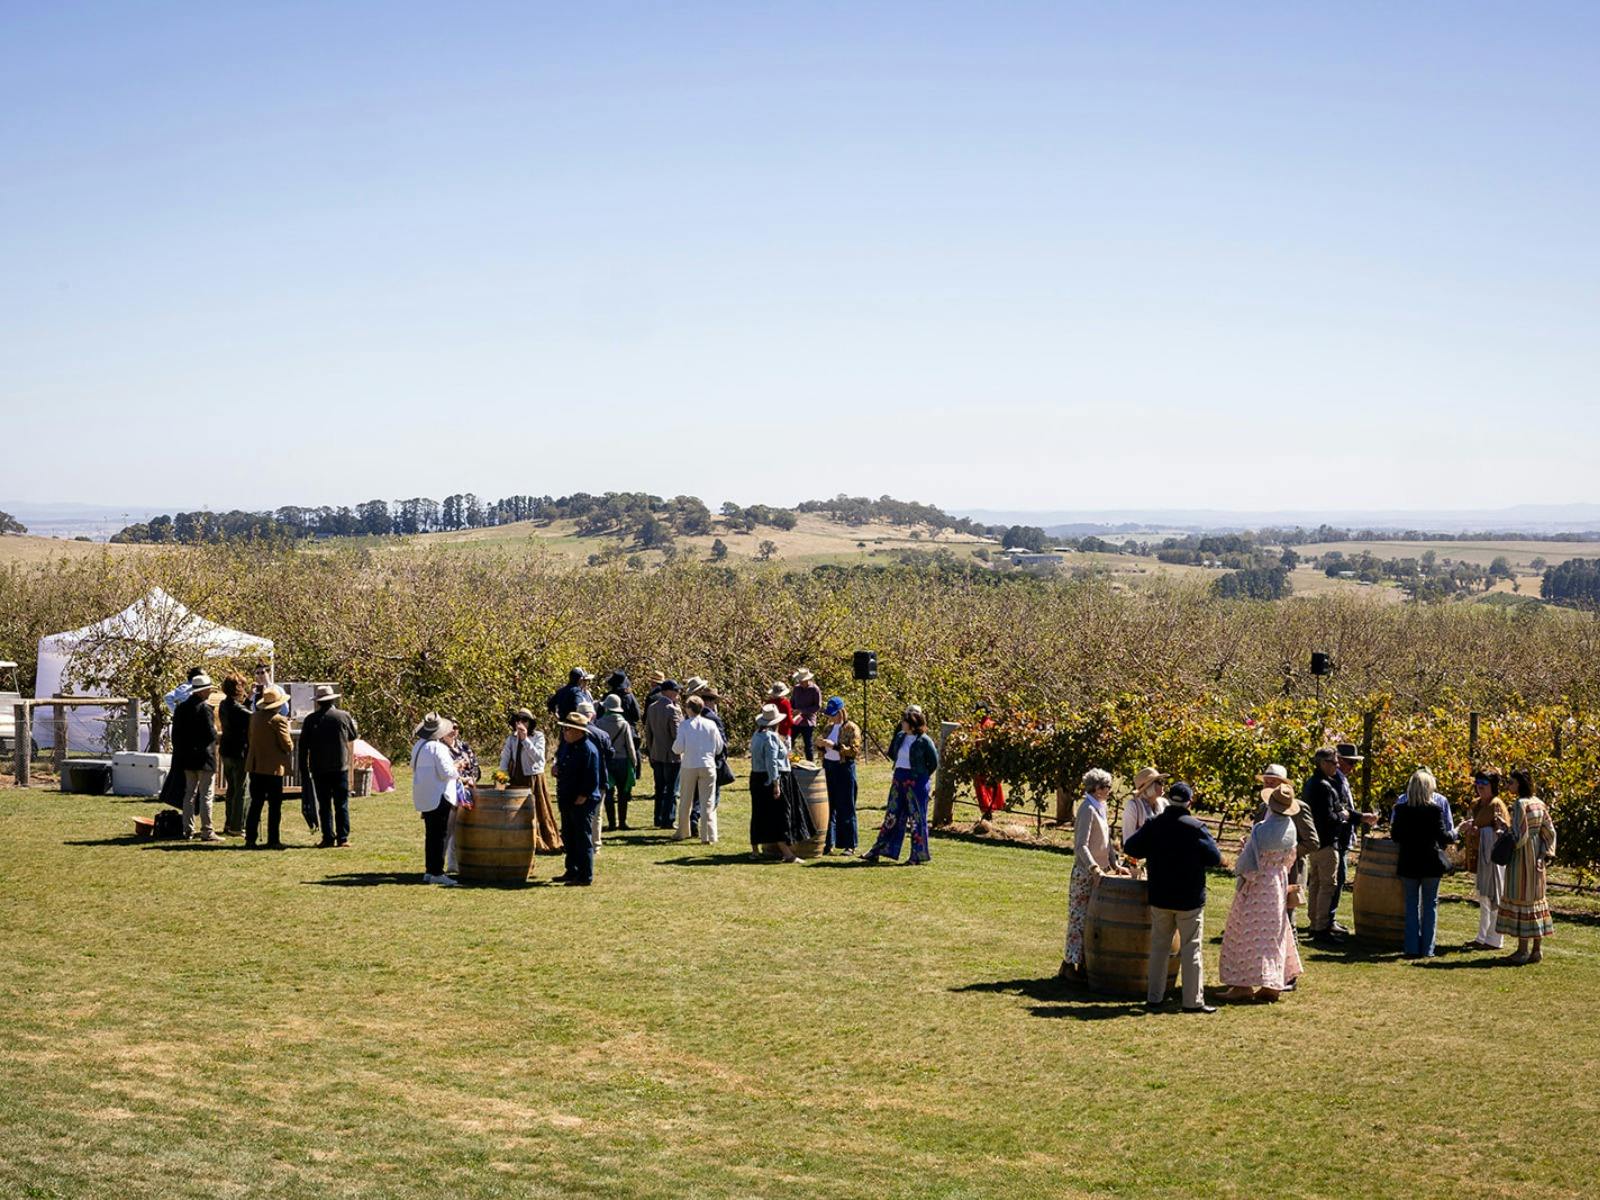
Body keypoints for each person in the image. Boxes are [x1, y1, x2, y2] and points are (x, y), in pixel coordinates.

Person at [1124, 781, 1221, 1013]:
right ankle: (1192, 1001)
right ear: (1190, 801)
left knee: (1159, 948)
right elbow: (1215, 858)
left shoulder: (1154, 824)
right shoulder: (1196, 828)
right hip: (1189, 898)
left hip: (1160, 895)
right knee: (1191, 949)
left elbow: (1131, 847)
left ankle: (1154, 998)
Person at [1219, 782, 1305, 1001]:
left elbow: (1248, 864)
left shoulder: (1261, 829)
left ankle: (1242, 986)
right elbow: (1290, 859)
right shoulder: (1291, 829)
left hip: (1258, 886)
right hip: (1277, 884)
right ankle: (1271, 985)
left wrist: (1243, 862)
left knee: (1244, 932)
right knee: (1273, 935)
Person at [1303, 749, 1375, 943]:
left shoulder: (1311, 783)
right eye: (1334, 762)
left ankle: (1315, 923)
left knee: (1316, 884)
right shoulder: (1325, 786)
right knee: (1328, 885)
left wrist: (1356, 816)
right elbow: (1328, 817)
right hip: (1327, 842)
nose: (1337, 766)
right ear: (1323, 763)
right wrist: (1341, 817)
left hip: (1316, 842)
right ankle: (1322, 928)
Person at [1059, 768, 1122, 979]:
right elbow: (1081, 845)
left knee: (1092, 919)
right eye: (1106, 787)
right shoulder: (1087, 808)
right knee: (1079, 918)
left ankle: (1085, 963)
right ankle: (1069, 964)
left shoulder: (1100, 807)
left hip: (1100, 873)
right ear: (1096, 788)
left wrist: (1115, 864)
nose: (1109, 790)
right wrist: (1093, 867)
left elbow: (1107, 842)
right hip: (1086, 872)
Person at [861, 708, 940, 866]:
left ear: (912, 724)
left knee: (917, 819)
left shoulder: (924, 740)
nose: (902, 724)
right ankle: (879, 850)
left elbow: (933, 762)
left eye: (905, 721)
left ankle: (917, 855)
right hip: (899, 779)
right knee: (892, 816)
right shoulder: (900, 737)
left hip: (916, 782)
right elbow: (893, 753)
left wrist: (921, 775)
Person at [1391, 769, 1456, 959]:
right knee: (1430, 905)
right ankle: (1428, 948)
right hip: (1430, 863)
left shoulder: (1400, 809)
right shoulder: (1434, 810)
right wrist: (1458, 831)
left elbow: (1395, 836)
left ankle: (1411, 947)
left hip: (1408, 862)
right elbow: (1444, 836)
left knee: (1411, 905)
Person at [1496, 769, 1558, 965]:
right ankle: (1537, 950)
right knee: (1536, 900)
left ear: (1519, 784)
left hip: (1522, 858)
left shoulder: (1520, 804)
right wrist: (1544, 853)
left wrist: (1503, 830)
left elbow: (1519, 834)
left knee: (1522, 899)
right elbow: (1549, 831)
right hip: (1537, 858)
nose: (1508, 786)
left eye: (1511, 783)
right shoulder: (1539, 803)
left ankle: (1522, 951)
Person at [1259, 762, 1319, 939]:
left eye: (1273, 782)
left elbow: (1312, 842)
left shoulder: (1298, 808)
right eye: (1266, 782)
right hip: (1264, 871)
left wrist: (1286, 854)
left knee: (1287, 918)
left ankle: (1290, 962)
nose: (1268, 785)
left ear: (1283, 785)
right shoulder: (1263, 807)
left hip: (1290, 870)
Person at [298, 684, 358, 848]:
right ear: (332, 700)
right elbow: (353, 736)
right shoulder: (344, 716)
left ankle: (328, 837)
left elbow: (303, 746)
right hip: (340, 766)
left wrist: (303, 766)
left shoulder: (311, 720)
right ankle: (343, 837)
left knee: (324, 804)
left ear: (318, 702)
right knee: (342, 804)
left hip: (319, 768)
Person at [1458, 770, 1510, 950]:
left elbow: (1503, 833)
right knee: (1482, 898)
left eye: (1484, 783)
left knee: (1493, 897)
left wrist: (1481, 832)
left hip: (1493, 859)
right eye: (1477, 781)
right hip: (1478, 857)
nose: (1479, 786)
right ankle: (1482, 937)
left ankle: (1495, 939)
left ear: (1493, 786)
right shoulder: (1476, 804)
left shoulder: (1496, 805)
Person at [553, 712, 605, 886]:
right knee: (568, 835)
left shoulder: (588, 750)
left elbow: (592, 777)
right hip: (567, 797)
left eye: (568, 729)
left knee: (582, 837)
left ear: (578, 731)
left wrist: (583, 795)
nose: (565, 732)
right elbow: (561, 762)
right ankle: (572, 870)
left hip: (582, 800)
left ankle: (585, 875)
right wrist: (556, 769)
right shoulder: (567, 746)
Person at [410, 713, 461, 886]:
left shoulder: (419, 745)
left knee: (431, 834)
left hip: (425, 794)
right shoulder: (438, 748)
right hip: (439, 795)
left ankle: (430, 870)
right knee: (439, 834)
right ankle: (437, 871)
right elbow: (446, 772)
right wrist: (457, 768)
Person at [500, 709, 560, 853]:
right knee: (517, 812)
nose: (521, 723)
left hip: (533, 777)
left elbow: (538, 757)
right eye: (518, 720)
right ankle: (519, 840)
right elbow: (506, 758)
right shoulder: (511, 738)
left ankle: (542, 841)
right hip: (517, 777)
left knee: (538, 810)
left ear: (530, 723)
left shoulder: (538, 736)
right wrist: (502, 776)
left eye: (524, 720)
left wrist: (525, 739)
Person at [171, 672, 221, 842]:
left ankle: (187, 829)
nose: (209, 692)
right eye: (208, 690)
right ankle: (207, 830)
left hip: (187, 757)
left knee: (189, 794)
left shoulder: (181, 708)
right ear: (201, 692)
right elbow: (211, 734)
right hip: (204, 758)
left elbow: (175, 735)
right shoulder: (205, 709)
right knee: (206, 795)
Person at [748, 704, 802, 862]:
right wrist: (776, 783)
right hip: (769, 778)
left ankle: (755, 850)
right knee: (779, 816)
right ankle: (787, 853)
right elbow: (772, 762)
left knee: (758, 813)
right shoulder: (771, 737)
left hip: (756, 777)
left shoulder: (756, 735)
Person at [243, 684, 293, 848]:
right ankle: (273, 839)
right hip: (273, 768)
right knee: (274, 805)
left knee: (256, 803)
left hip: (256, 766)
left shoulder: (254, 717)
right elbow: (288, 745)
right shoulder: (278, 720)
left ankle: (250, 838)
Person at [672, 695, 725, 844]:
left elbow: (678, 748)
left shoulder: (684, 725)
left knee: (686, 799)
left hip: (689, 764)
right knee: (708, 801)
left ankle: (682, 831)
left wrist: (677, 747)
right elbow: (719, 747)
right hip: (708, 764)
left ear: (689, 709)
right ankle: (708, 835)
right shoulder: (711, 724)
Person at [817, 697, 861, 854]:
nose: (830, 717)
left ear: (841, 712)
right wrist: (821, 745)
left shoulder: (851, 728)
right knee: (830, 806)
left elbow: (854, 751)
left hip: (844, 768)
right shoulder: (828, 728)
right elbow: (822, 748)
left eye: (833, 714)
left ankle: (850, 844)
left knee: (846, 806)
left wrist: (834, 746)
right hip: (828, 767)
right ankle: (829, 843)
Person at [593, 695, 640, 831]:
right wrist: (634, 761)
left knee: (608, 793)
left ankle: (612, 823)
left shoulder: (599, 723)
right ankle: (623, 822)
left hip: (607, 761)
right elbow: (630, 746)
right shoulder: (624, 724)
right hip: (623, 761)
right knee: (623, 793)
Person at [440, 718, 479, 874]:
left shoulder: (464, 747)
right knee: (447, 830)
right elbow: (444, 772)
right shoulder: (440, 748)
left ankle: (455, 864)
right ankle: (438, 865)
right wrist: (461, 779)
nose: (453, 731)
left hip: (467, 792)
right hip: (449, 791)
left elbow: (475, 767)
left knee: (461, 829)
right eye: (450, 728)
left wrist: (471, 779)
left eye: (456, 727)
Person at [217, 674, 252, 837]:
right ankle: (238, 826)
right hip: (239, 752)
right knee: (242, 790)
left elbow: (241, 710)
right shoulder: (238, 709)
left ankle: (229, 822)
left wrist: (248, 700)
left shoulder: (224, 704)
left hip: (226, 750)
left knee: (231, 788)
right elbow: (252, 717)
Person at [645, 680, 683, 828]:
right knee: (672, 789)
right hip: (672, 756)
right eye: (676, 691)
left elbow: (648, 733)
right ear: (669, 691)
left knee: (659, 788)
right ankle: (669, 818)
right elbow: (676, 734)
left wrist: (651, 750)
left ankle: (658, 817)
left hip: (656, 753)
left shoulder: (652, 707)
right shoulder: (673, 709)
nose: (678, 694)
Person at [1119, 766, 1167, 879]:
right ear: (1149, 786)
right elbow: (1128, 840)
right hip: (1139, 865)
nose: (1163, 785)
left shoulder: (1164, 804)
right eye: (1159, 782)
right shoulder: (1133, 806)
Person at [972, 703, 1006, 820]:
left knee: (981, 786)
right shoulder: (993, 725)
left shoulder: (979, 727)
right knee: (993, 784)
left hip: (980, 761)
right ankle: (994, 806)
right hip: (994, 761)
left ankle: (986, 810)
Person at [790, 669, 822, 760]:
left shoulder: (815, 689)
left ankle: (810, 765)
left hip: (808, 721)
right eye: (799, 680)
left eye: (802, 680)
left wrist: (802, 711)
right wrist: (792, 710)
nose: (800, 682)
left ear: (807, 679)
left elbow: (817, 706)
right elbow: (792, 702)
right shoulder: (796, 688)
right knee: (789, 741)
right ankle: (786, 763)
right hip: (796, 720)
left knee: (808, 745)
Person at [768, 682, 794, 747]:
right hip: (784, 732)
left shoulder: (768, 703)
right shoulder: (785, 703)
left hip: (771, 732)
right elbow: (789, 720)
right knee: (785, 753)